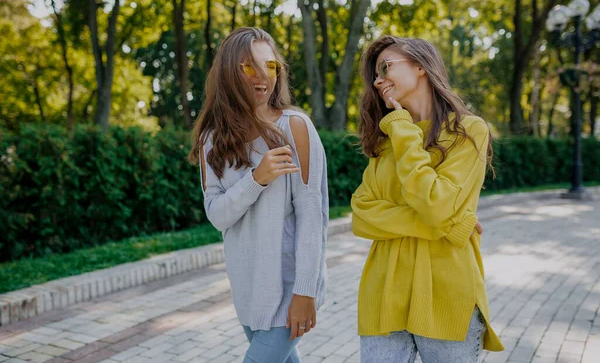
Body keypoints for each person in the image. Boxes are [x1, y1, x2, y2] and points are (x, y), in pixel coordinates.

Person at [351, 35, 504, 363]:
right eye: (374, 75)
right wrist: (450, 225)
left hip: (445, 294)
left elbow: (434, 204)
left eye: (385, 67)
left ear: (421, 66)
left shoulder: (468, 131)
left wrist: (404, 132)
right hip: (383, 297)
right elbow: (361, 215)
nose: (378, 80)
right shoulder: (385, 139)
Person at [188, 27, 328, 363]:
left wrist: (305, 290)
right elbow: (218, 215)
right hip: (248, 289)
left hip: (290, 289)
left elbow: (312, 214)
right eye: (249, 67)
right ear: (228, 72)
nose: (263, 76)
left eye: (271, 66)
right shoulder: (212, 138)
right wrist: (257, 178)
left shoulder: (295, 127)